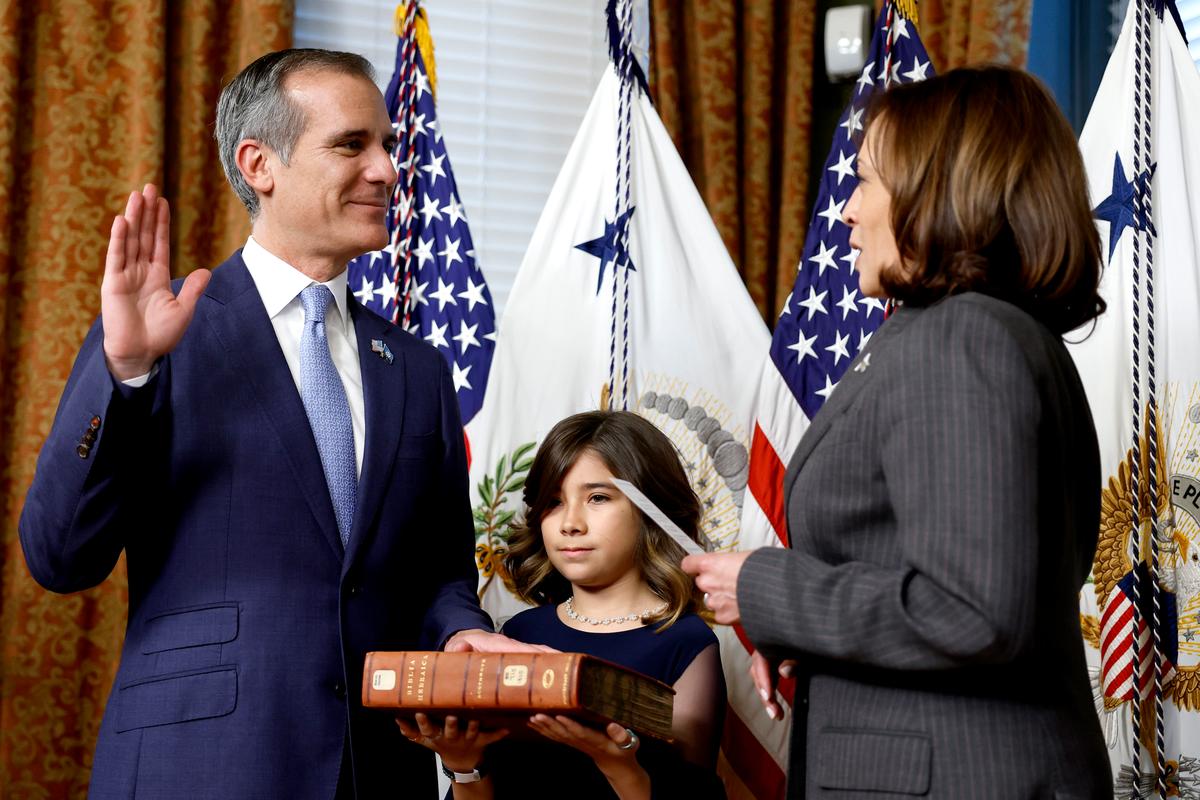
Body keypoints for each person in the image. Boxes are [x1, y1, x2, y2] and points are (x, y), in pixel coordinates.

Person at [19, 48, 527, 799]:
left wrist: (457, 629)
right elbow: (59, 557)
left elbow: (441, 570)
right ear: (261, 164)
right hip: (200, 763)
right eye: (352, 145)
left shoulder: (417, 367)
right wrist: (127, 373)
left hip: (377, 770)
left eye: (387, 146)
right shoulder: (164, 334)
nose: (387, 170)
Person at [682, 65, 1111, 798]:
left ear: (938, 192)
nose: (846, 211)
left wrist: (768, 586)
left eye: (866, 183)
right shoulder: (974, 334)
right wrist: (801, 630)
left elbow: (975, 610)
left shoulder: (962, 338)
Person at [398, 410, 727, 799]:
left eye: (598, 498)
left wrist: (619, 766)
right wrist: (463, 765)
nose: (570, 522)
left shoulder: (686, 643)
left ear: (652, 510)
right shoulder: (518, 636)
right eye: (554, 501)